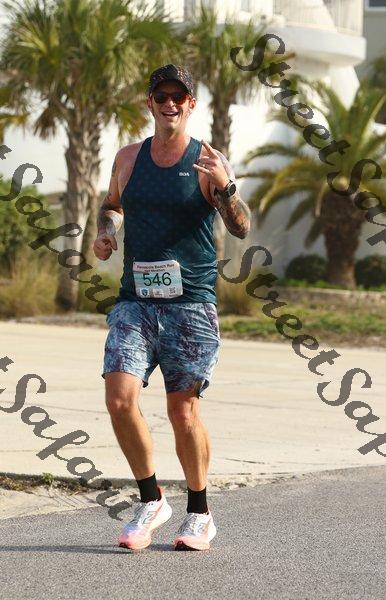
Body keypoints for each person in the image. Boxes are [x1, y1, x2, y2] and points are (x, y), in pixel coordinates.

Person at [93, 64, 250, 551]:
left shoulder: (207, 160)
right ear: (150, 102)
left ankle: (199, 513)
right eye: (161, 96)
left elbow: (241, 226)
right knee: (119, 399)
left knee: (182, 411)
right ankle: (150, 500)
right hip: (135, 301)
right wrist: (107, 232)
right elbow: (112, 204)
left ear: (190, 105)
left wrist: (225, 186)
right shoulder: (128, 158)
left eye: (178, 97)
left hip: (191, 305)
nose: (169, 104)